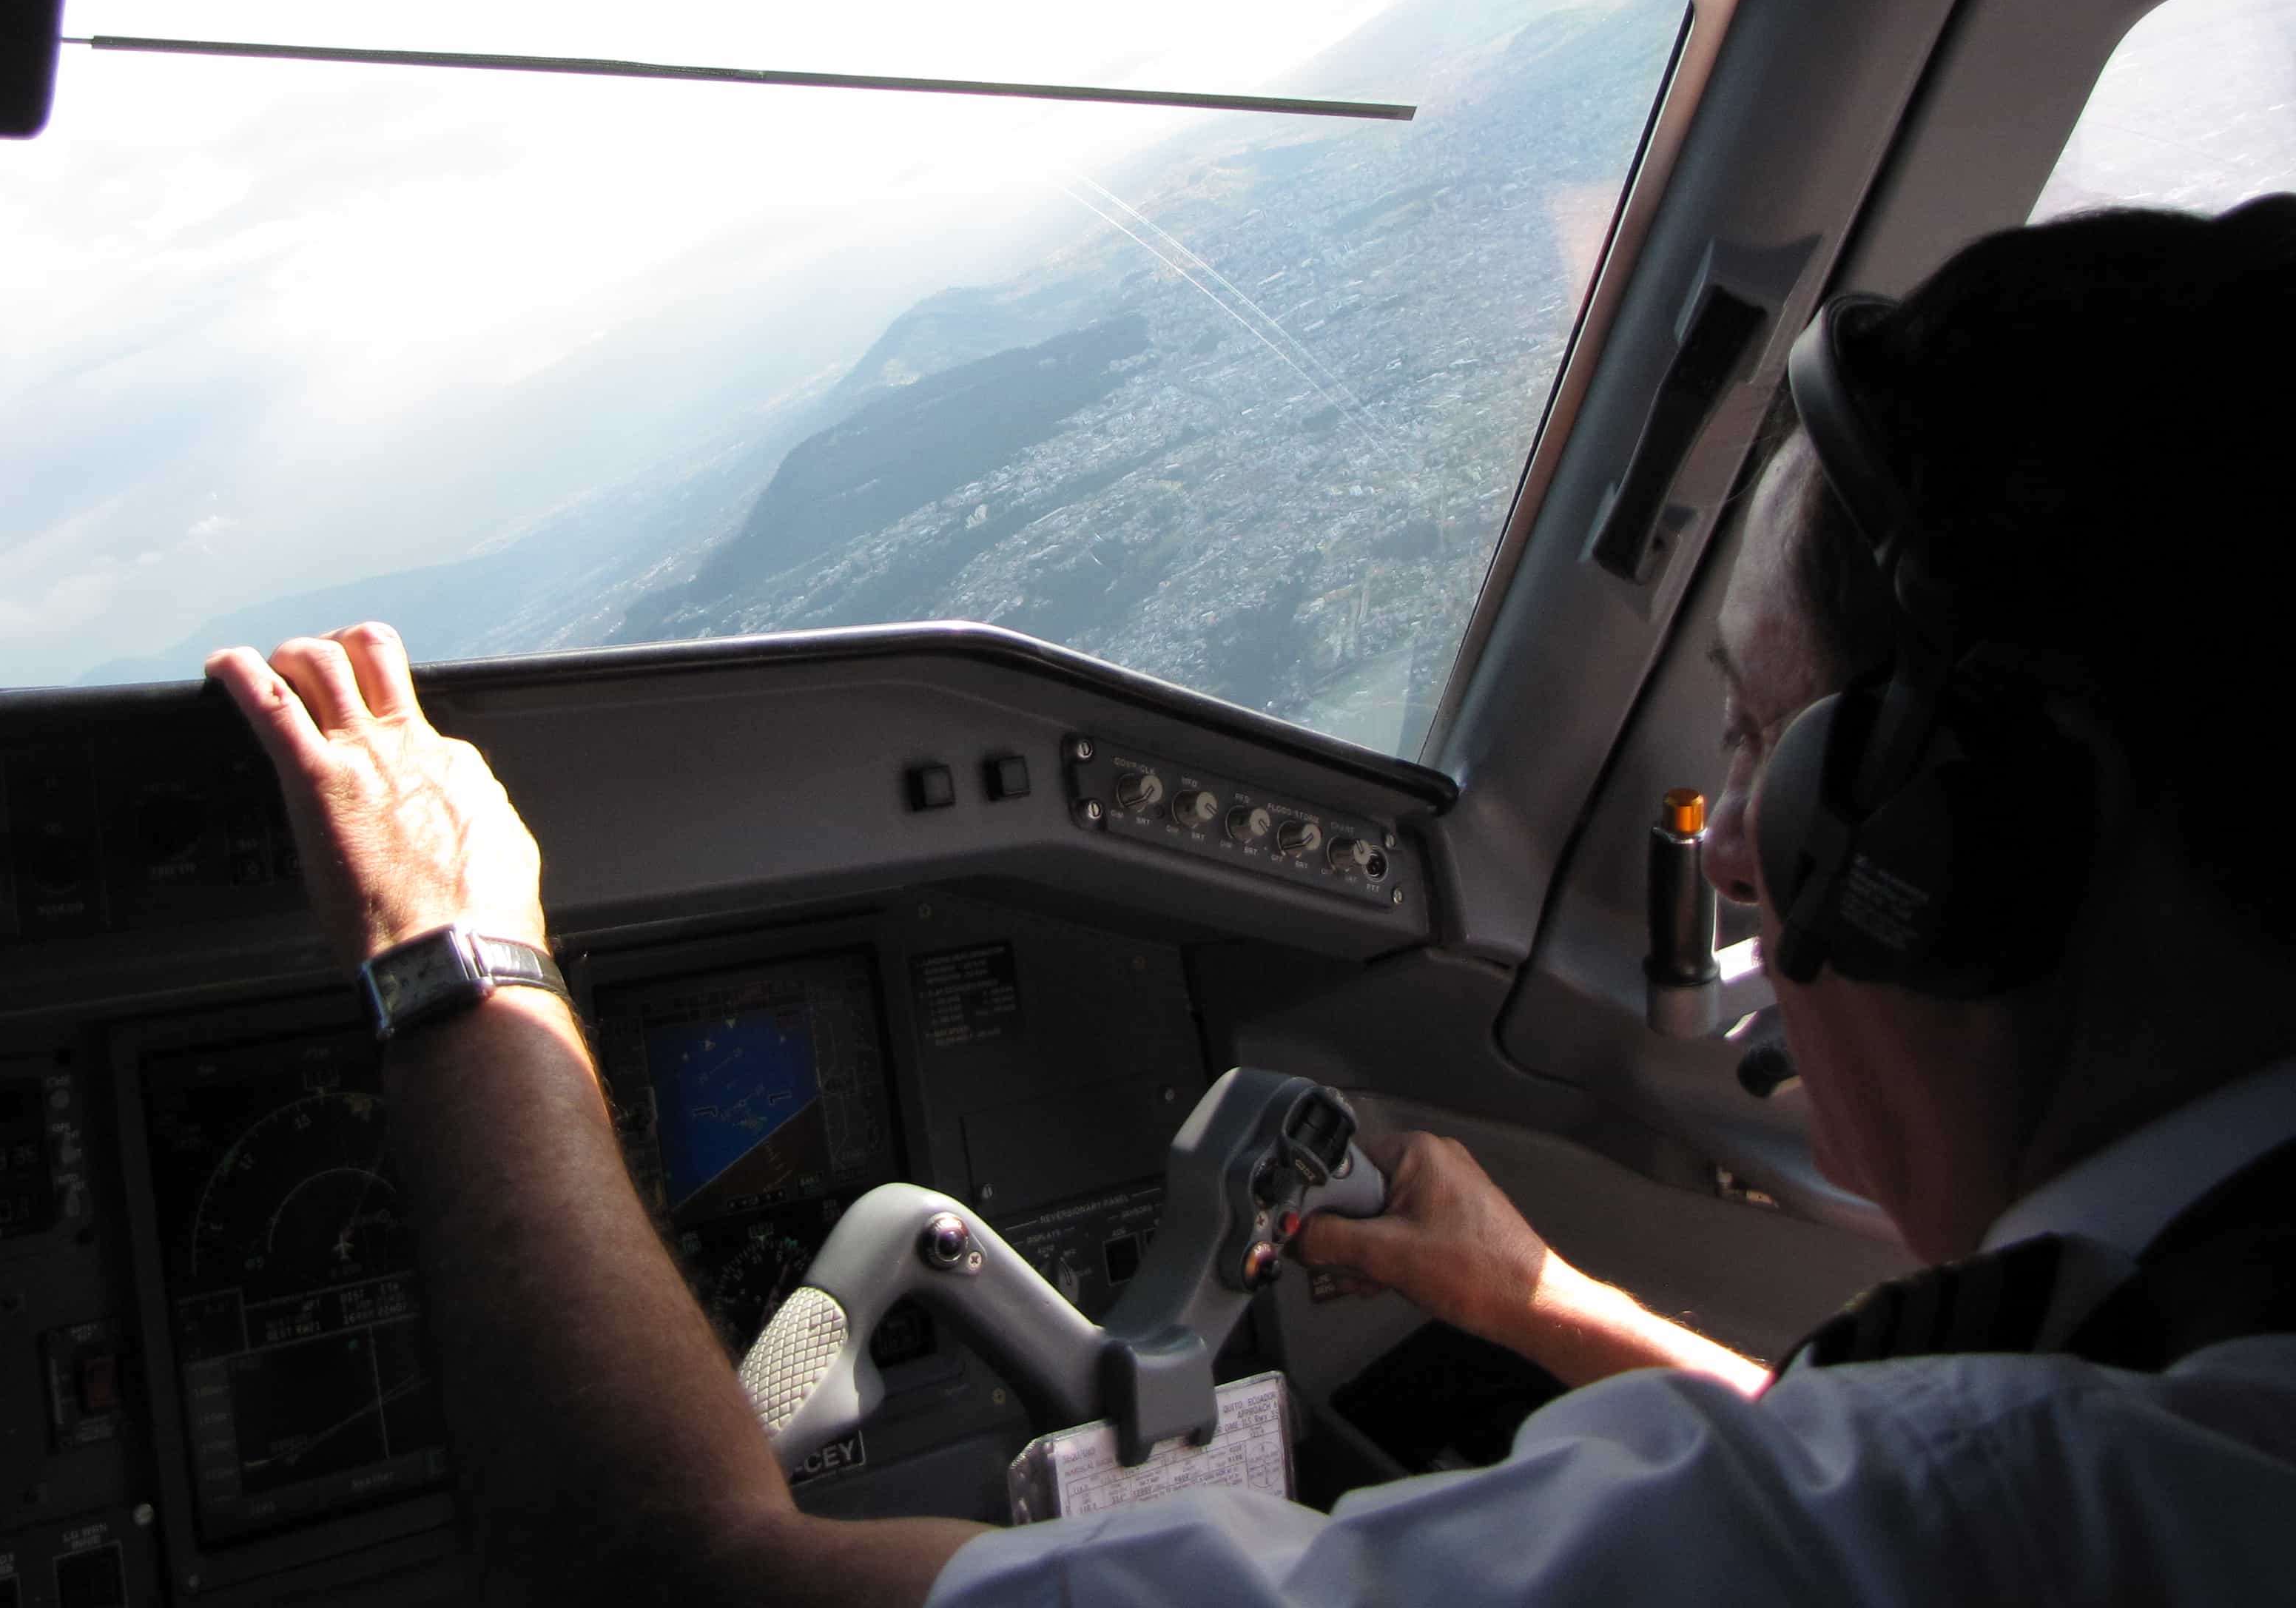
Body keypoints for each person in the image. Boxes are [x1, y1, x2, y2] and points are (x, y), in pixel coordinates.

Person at [204, 198, 2296, 1605]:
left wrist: (461, 960)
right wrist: (1547, 1306)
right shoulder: (2163, 1410)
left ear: (1988, 827)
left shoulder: (2028, 1510)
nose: (1730, 841)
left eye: (1766, 741)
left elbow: (665, 1577)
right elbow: (1871, 1491)